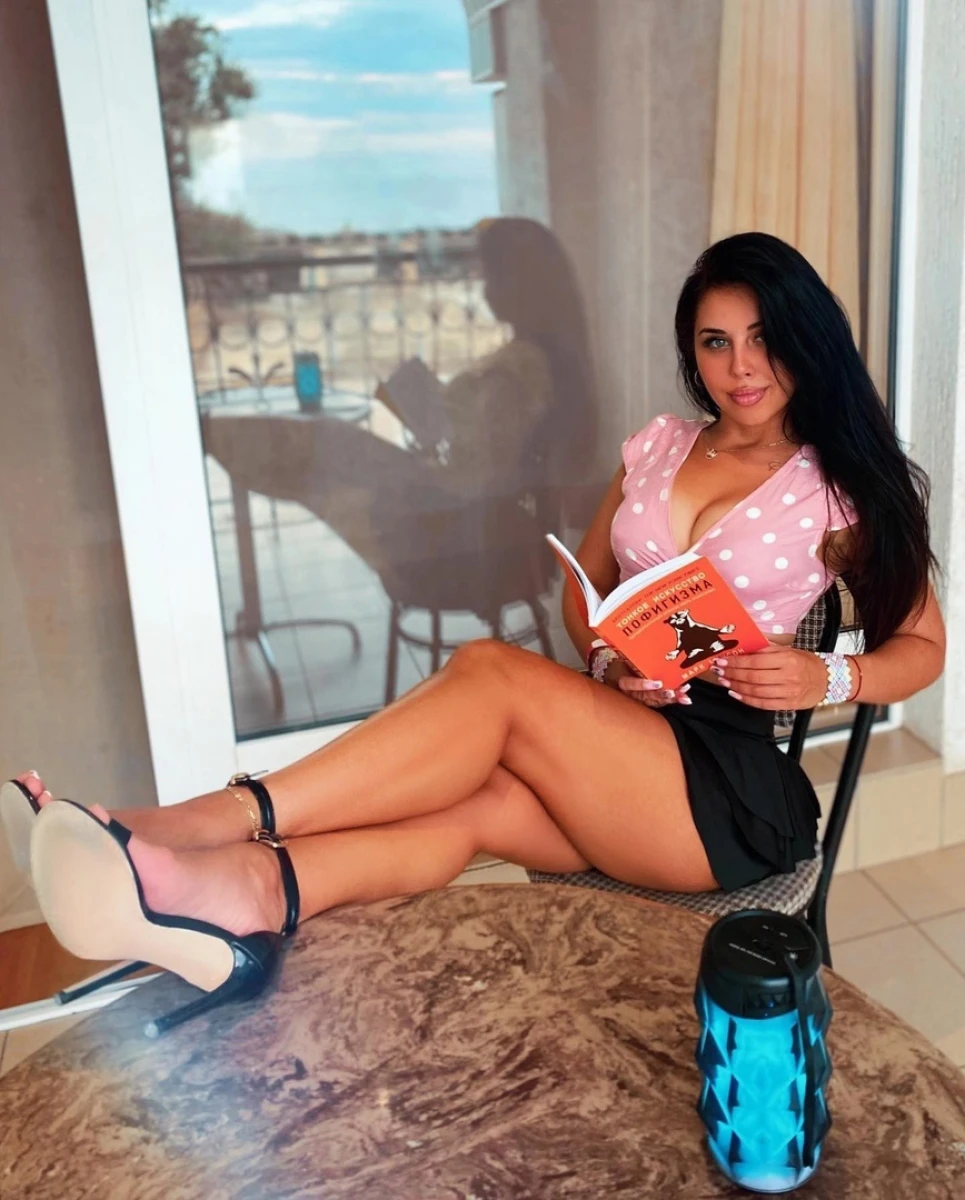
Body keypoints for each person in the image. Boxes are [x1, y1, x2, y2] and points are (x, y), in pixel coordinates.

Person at [2, 232, 944, 1035]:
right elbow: (584, 591)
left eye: (763, 339)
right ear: (690, 351)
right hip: (621, 743)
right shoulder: (660, 444)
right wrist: (609, 653)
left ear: (806, 338)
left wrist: (825, 680)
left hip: (725, 794)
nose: (740, 367)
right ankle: (233, 898)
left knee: (490, 671)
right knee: (471, 806)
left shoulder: (839, 490)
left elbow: (923, 649)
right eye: (714, 341)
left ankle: (179, 825)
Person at [201, 216, 597, 578]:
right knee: (332, 444)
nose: (485, 291)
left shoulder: (518, 369)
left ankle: (219, 438)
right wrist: (438, 427)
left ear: (522, 285)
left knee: (329, 443)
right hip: (463, 515)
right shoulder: (538, 359)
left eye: (492, 278)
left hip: (454, 531)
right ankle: (225, 439)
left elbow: (481, 475)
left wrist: (422, 458)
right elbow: (493, 453)